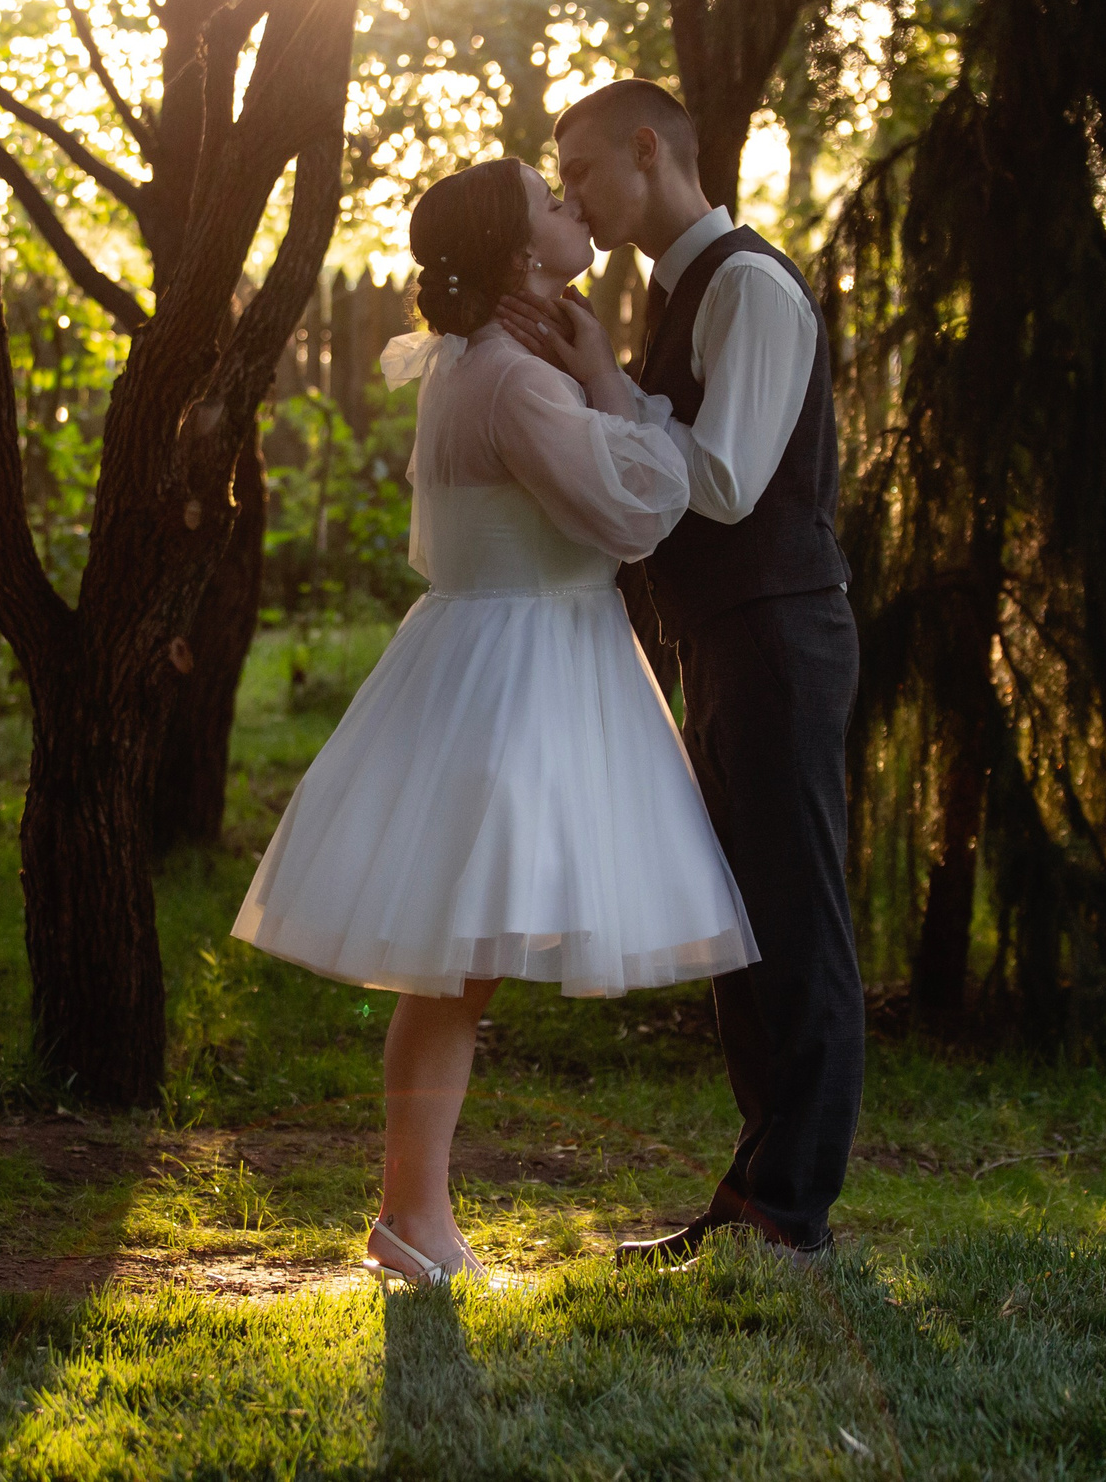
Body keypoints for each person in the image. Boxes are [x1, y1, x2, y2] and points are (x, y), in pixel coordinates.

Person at [231, 156, 756, 1287]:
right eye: (553, 205)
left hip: (492, 656)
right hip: (524, 669)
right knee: (453, 969)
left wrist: (593, 376)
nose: (576, 207)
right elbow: (635, 511)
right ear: (524, 256)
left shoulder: (484, 365)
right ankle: (411, 1216)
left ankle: (411, 1212)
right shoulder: (516, 381)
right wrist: (616, 387)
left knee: (450, 970)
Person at [496, 78, 863, 1266]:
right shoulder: (674, 295)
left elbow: (720, 480)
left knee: (796, 918)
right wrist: (609, 376)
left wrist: (607, 397)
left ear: (646, 151)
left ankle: (791, 1213)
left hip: (778, 632)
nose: (574, 203)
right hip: (725, 633)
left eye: (581, 175)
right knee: (744, 923)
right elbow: (675, 447)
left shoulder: (748, 285)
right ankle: (753, 1196)